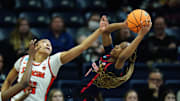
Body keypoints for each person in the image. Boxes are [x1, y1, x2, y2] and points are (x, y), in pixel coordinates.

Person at [1, 16, 106, 101]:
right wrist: (3, 96)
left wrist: (99, 31)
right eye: (45, 43)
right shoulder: (23, 59)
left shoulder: (53, 61)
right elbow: (8, 81)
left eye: (50, 45)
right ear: (36, 46)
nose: (48, 45)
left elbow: (81, 47)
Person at [78, 16, 152, 100]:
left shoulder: (116, 67)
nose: (116, 46)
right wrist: (123, 25)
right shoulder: (109, 53)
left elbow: (123, 57)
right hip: (80, 89)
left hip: (88, 95)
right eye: (118, 45)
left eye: (121, 47)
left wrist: (140, 35)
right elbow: (106, 31)